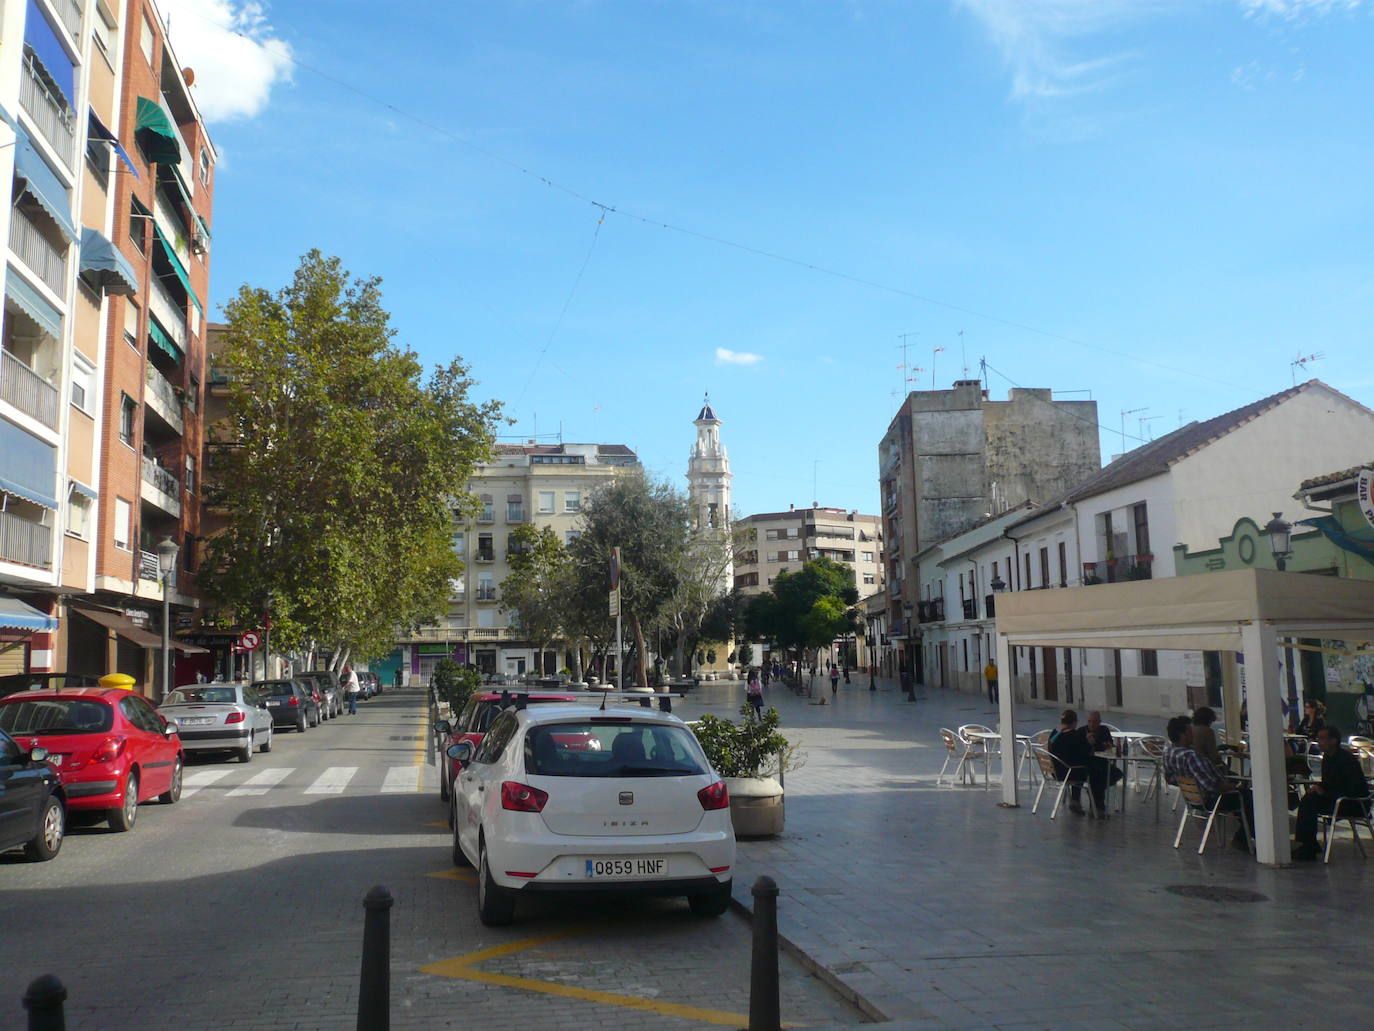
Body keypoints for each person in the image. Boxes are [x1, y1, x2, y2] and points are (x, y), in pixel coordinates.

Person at [1163, 715, 1254, 850]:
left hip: (1193, 799)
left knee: (1243, 799)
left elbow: (1170, 779)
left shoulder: (1168, 753)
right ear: (1183, 734)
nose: (1192, 734)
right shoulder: (1191, 756)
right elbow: (1213, 786)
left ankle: (1245, 835)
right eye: (1190, 731)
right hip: (1212, 799)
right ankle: (1244, 837)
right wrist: (1235, 786)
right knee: (1250, 798)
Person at [1293, 725, 1370, 861]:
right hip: (1335, 799)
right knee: (1308, 799)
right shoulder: (1328, 758)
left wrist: (1324, 793)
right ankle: (1308, 843)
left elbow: (1352, 788)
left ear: (1333, 741)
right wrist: (1318, 788)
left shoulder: (1346, 760)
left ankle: (1309, 846)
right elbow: (1328, 782)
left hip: (1352, 803)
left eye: (1323, 739)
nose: (1320, 742)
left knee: (1310, 802)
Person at [1048, 709, 1100, 816]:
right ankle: (1096, 807)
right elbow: (1084, 753)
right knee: (1094, 771)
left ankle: (1076, 801)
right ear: (1074, 722)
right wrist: (1089, 743)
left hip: (1055, 770)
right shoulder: (1074, 736)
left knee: (1077, 767)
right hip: (1068, 772)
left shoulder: (1055, 732)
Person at [1191, 707, 1225, 773]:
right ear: (1208, 720)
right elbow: (1213, 755)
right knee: (1236, 777)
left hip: (1193, 769)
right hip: (1206, 769)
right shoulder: (1208, 731)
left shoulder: (1191, 729)